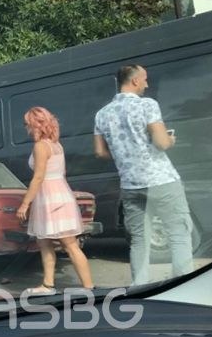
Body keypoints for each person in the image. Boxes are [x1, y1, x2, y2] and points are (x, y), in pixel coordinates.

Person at [94, 64, 193, 285]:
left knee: (139, 240)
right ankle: (184, 284)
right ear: (135, 81)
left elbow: (100, 152)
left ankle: (140, 287)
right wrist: (170, 140)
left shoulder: (102, 114)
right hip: (161, 180)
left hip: (130, 185)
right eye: (145, 79)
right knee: (178, 233)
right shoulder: (147, 105)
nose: (147, 84)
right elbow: (160, 142)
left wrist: (124, 153)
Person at [17, 107, 94, 294]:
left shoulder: (41, 146)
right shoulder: (56, 145)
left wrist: (25, 203)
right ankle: (48, 284)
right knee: (46, 242)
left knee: (68, 244)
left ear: (36, 124)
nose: (27, 128)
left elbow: (38, 177)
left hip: (50, 198)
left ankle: (89, 287)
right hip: (59, 194)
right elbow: (62, 172)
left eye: (28, 124)